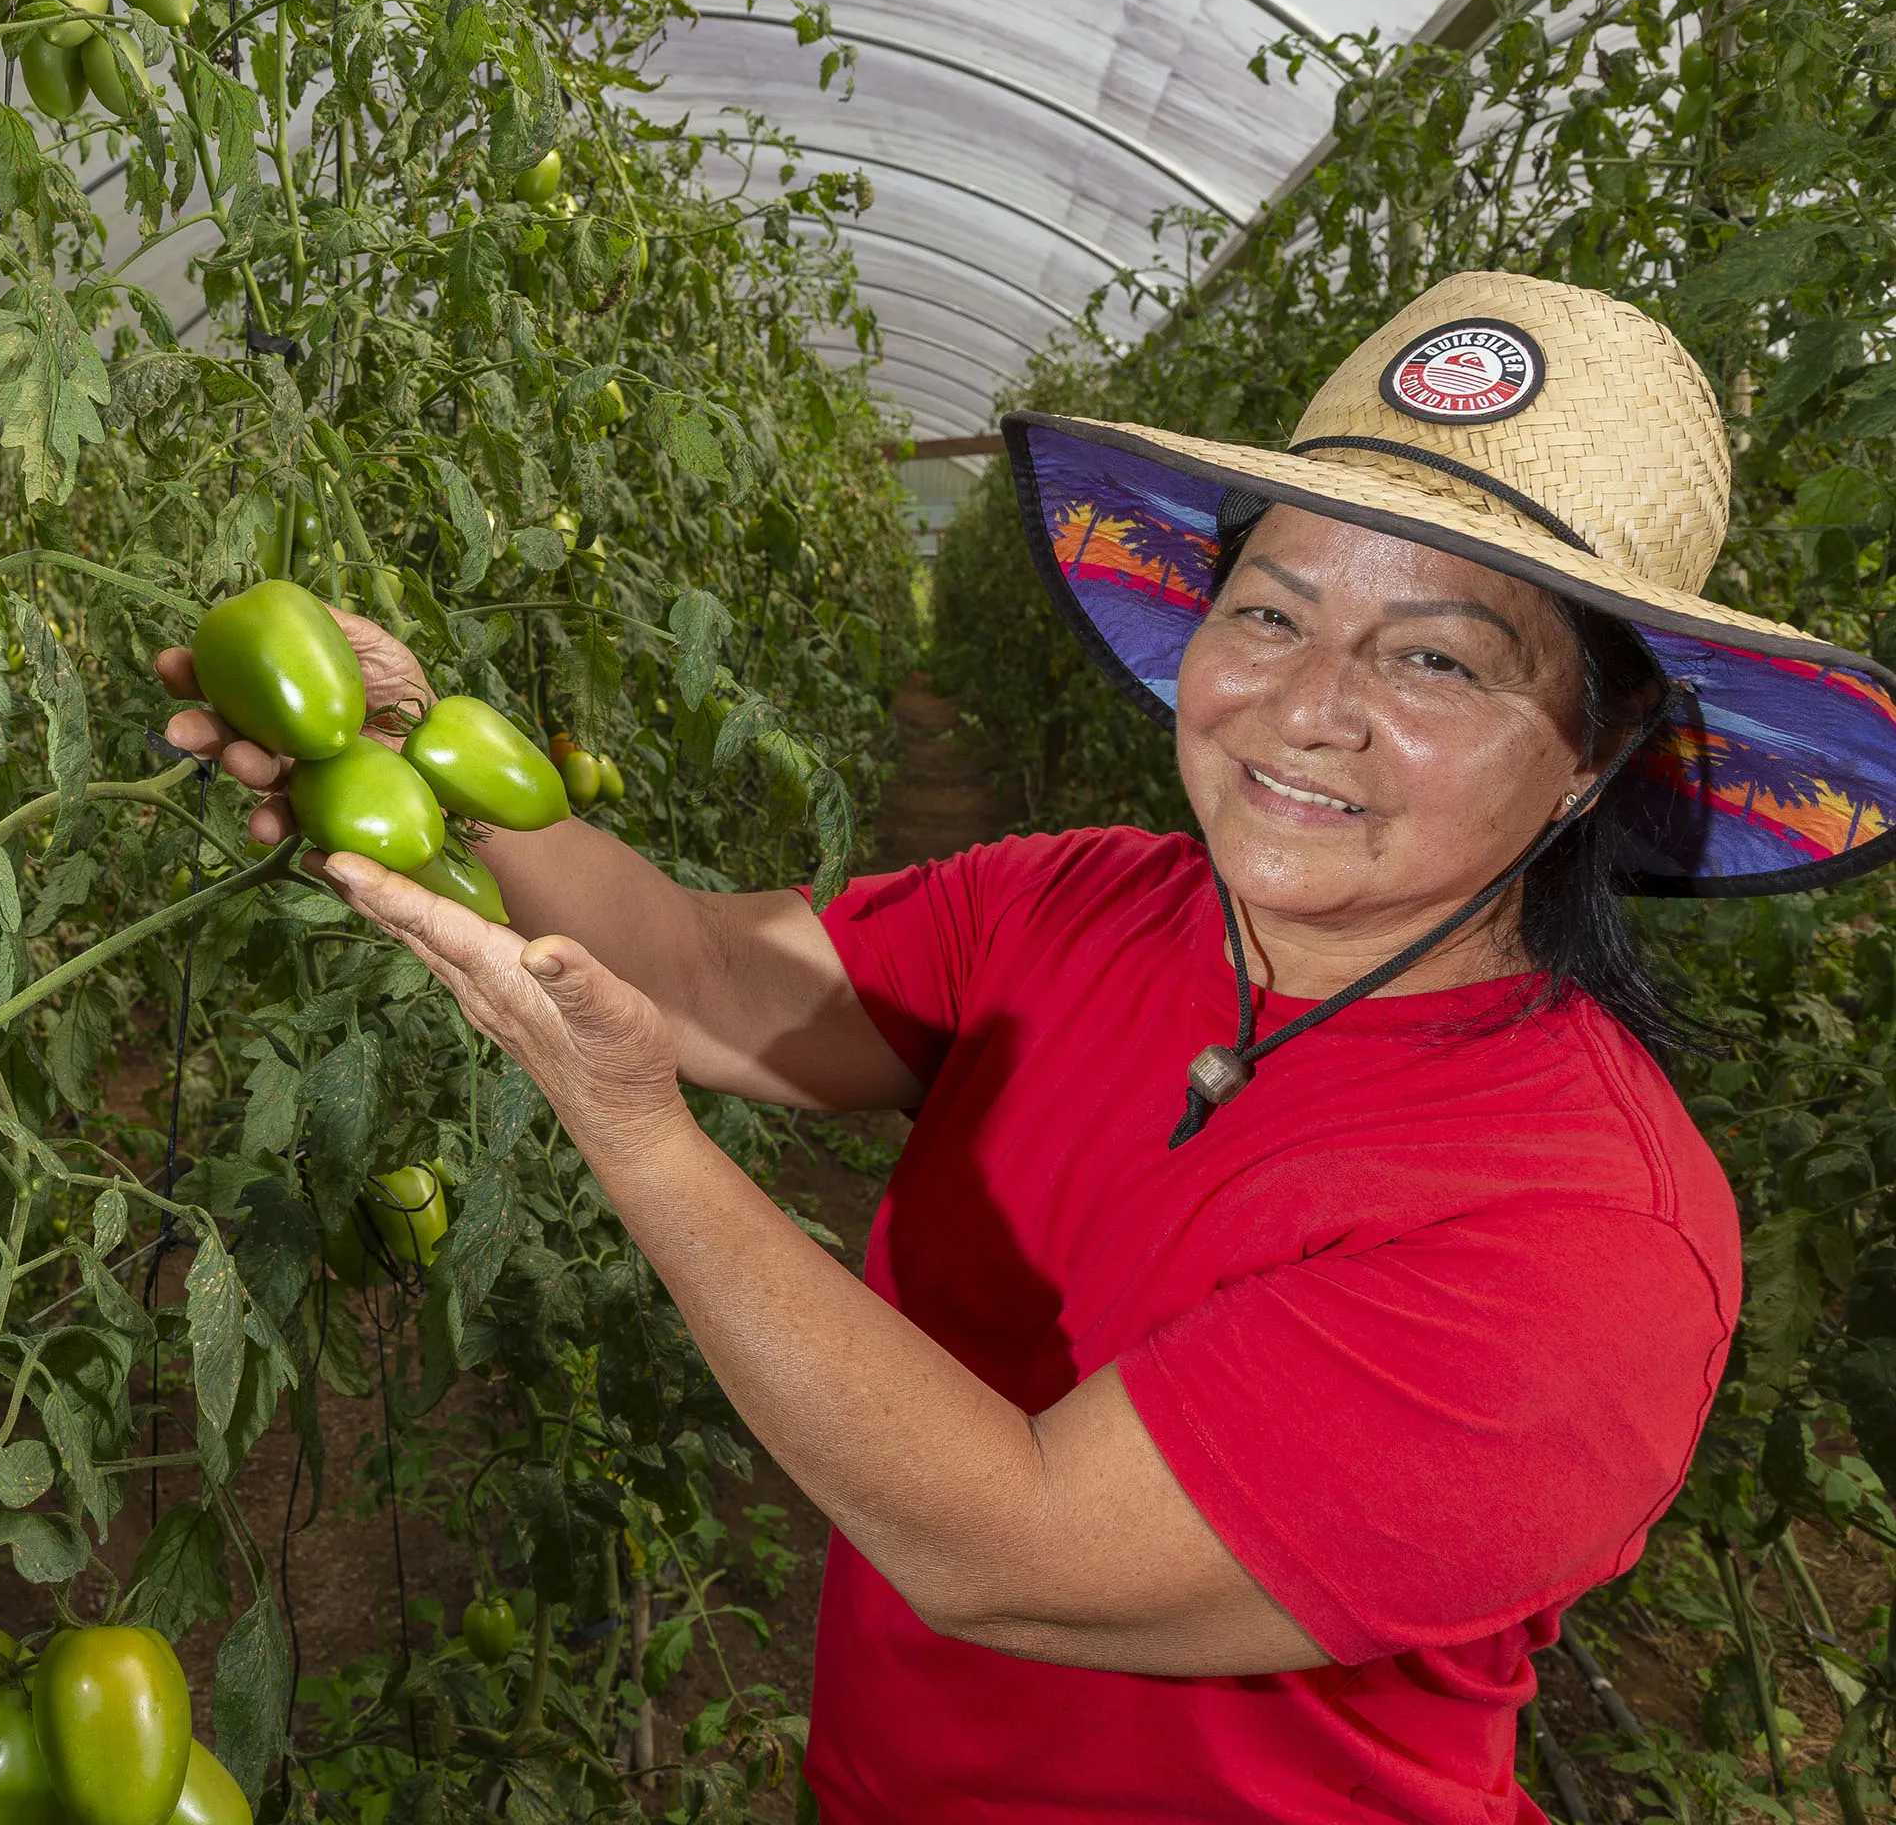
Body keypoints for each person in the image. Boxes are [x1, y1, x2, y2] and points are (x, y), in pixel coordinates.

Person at [162, 272, 1896, 1820]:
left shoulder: (1584, 1232)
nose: (1309, 709)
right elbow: (698, 974)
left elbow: (1011, 1550)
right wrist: (413, 754)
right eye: (1273, 612)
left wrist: (634, 1135)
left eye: (1435, 660)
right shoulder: (1079, 905)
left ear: (1597, 754)